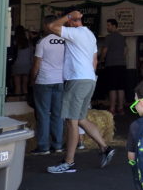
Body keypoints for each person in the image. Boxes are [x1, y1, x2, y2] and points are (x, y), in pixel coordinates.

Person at [45, 9, 116, 173]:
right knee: (81, 118)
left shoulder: (73, 32)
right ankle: (105, 148)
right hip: (89, 79)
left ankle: (69, 162)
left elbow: (51, 26)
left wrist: (68, 16)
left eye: (68, 20)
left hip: (77, 80)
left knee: (71, 121)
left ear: (71, 20)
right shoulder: (90, 35)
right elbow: (95, 60)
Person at [29, 14, 65, 156]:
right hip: (60, 80)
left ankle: (43, 146)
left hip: (44, 80)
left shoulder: (43, 42)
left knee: (43, 114)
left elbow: (37, 64)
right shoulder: (65, 41)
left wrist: (32, 79)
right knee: (57, 114)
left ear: (46, 26)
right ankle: (58, 145)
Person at [99, 18, 129, 114]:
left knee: (112, 87)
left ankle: (112, 109)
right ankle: (120, 108)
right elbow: (125, 50)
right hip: (121, 65)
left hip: (111, 65)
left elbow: (104, 50)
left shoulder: (109, 37)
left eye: (108, 25)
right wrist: (120, 58)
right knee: (120, 87)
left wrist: (101, 60)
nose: (107, 27)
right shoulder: (122, 37)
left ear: (114, 26)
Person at [10, 26, 32, 97]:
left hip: (16, 65)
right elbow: (31, 55)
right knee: (25, 87)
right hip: (27, 65)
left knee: (17, 87)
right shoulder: (29, 43)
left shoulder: (14, 42)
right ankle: (25, 102)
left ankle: (18, 102)